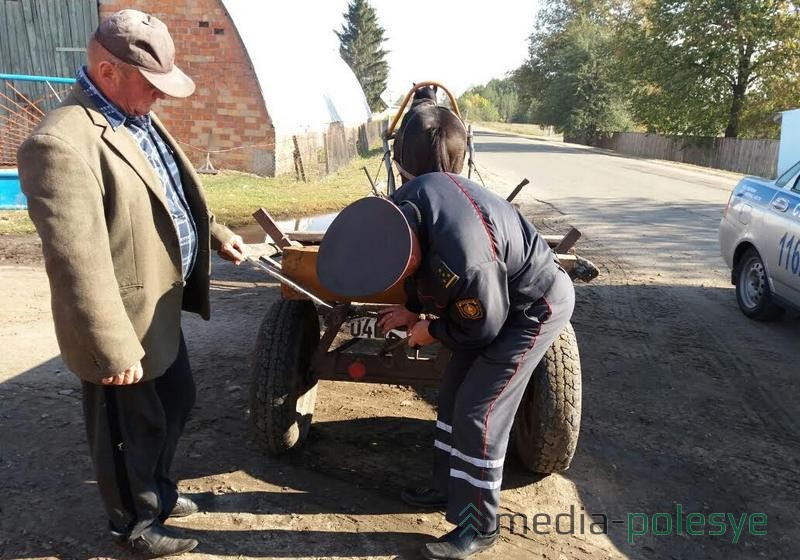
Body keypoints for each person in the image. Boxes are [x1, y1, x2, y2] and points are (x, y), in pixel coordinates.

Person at [17, 9, 246, 557]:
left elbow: (161, 188)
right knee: (127, 430)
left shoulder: (132, 111)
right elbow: (78, 263)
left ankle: (158, 492)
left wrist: (212, 231)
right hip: (120, 325)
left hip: (157, 312)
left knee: (177, 401)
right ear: (106, 68)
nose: (161, 97)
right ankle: (135, 525)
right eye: (151, 84)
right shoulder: (60, 144)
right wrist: (111, 347)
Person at [316, 172, 575, 560]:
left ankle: (479, 525)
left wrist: (430, 331)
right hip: (488, 301)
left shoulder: (465, 261)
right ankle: (447, 487)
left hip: (531, 308)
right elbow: (427, 281)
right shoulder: (404, 203)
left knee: (479, 412)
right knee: (453, 394)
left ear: (416, 252)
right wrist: (412, 307)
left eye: (404, 272)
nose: (403, 278)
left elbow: (482, 325)